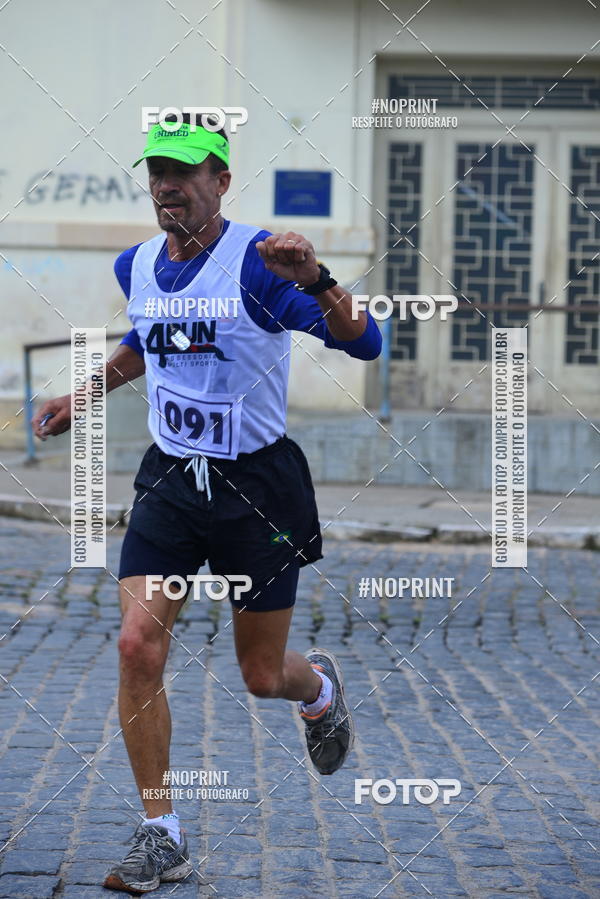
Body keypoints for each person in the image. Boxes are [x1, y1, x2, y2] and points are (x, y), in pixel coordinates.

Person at [33, 113, 381, 894]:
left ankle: (317, 688)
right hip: (169, 480)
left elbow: (366, 343)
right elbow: (146, 337)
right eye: (158, 172)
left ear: (220, 182)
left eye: (185, 174)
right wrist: (85, 393)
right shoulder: (138, 264)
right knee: (135, 645)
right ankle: (164, 833)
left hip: (259, 489)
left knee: (261, 675)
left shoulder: (261, 265)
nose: (168, 185)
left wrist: (319, 280)